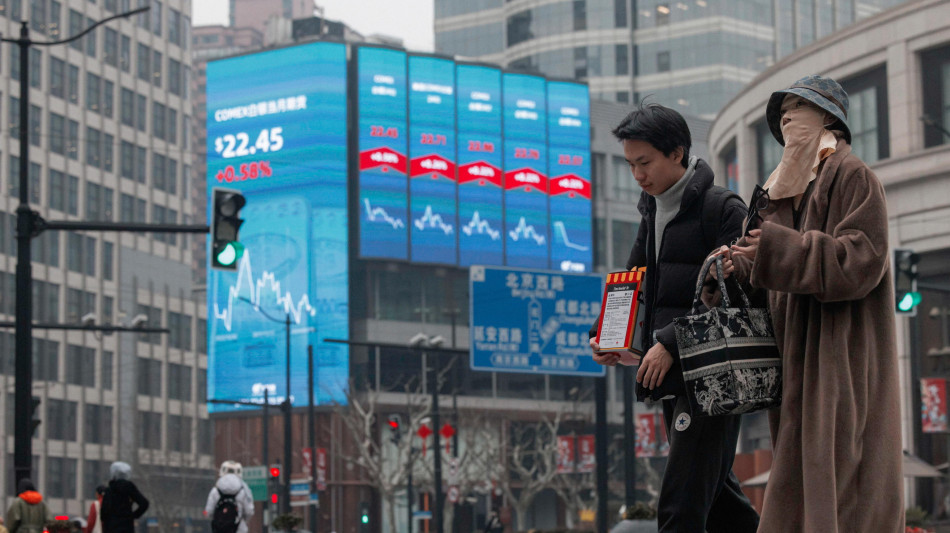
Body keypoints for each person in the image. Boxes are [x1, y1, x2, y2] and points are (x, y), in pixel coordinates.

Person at [711, 74, 903, 531]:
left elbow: (861, 259)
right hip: (795, 369)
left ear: (828, 118)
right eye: (783, 112)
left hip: (841, 363)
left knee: (844, 488)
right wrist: (739, 267)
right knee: (801, 488)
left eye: (800, 107)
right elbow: (770, 286)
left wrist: (777, 251)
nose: (789, 117)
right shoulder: (779, 196)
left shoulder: (854, 176)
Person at [588, 102, 759, 533]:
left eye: (644, 163)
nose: (637, 175)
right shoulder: (653, 209)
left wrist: (668, 341)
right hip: (673, 375)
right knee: (721, 504)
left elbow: (733, 296)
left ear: (678, 153)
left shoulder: (723, 209)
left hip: (714, 373)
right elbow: (632, 279)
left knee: (680, 508)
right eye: (629, 165)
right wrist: (606, 336)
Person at [204, 461, 254, 533]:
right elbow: (249, 511)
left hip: (219, 529)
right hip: (239, 529)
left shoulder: (215, 490)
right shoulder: (243, 490)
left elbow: (208, 512)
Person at [100, 461, 149, 533]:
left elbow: (104, 511)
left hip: (111, 527)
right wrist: (133, 515)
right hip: (127, 527)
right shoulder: (130, 488)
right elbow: (144, 503)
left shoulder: (110, 490)